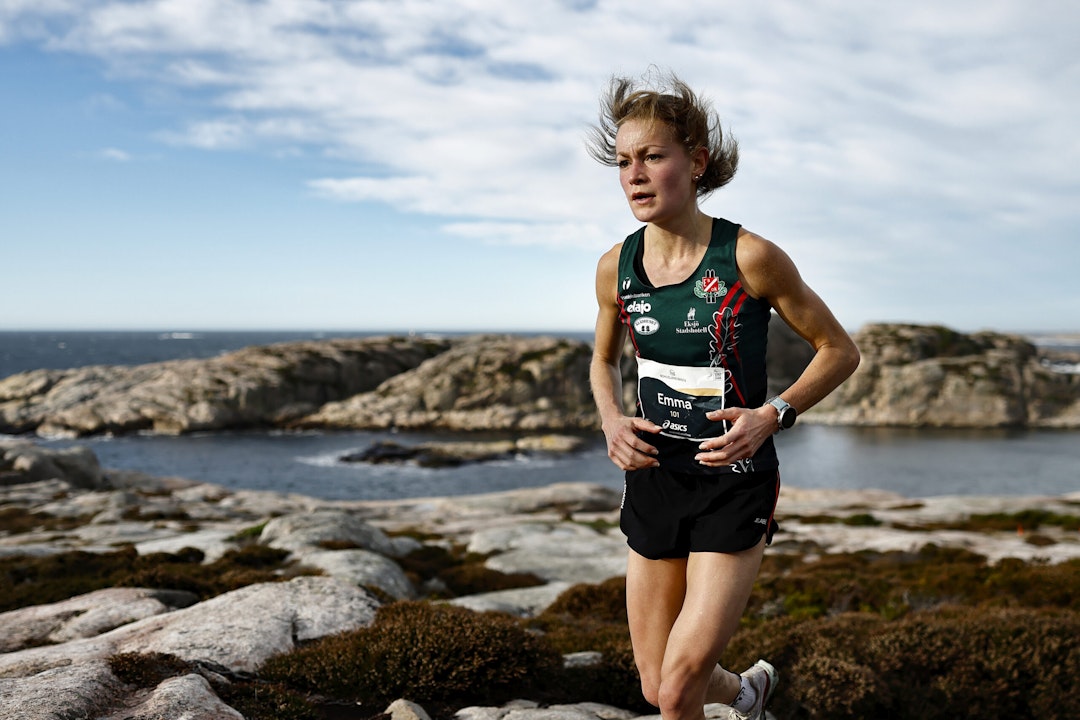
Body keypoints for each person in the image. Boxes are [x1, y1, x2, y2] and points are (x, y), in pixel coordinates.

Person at [587, 71, 860, 720]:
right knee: (656, 686)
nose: (634, 176)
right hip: (655, 476)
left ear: (697, 161)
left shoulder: (750, 257)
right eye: (623, 162)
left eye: (652, 156)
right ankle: (746, 693)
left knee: (679, 688)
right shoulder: (615, 266)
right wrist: (611, 422)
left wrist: (773, 415)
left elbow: (840, 351)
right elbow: (602, 361)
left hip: (733, 481)